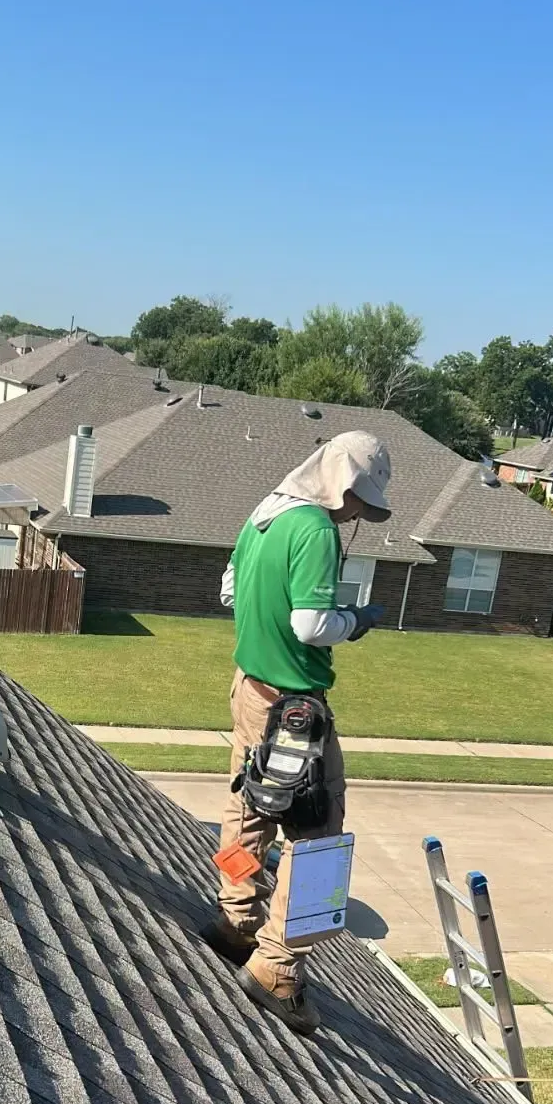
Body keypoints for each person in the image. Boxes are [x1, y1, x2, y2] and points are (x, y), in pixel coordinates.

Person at [203, 430, 392, 1036]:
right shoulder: (314, 528)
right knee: (319, 848)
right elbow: (311, 623)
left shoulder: (265, 514)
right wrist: (356, 620)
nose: (360, 512)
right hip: (294, 710)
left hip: (249, 690)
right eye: (360, 499)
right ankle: (277, 970)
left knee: (246, 811)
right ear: (342, 485)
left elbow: (230, 590)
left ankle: (236, 919)